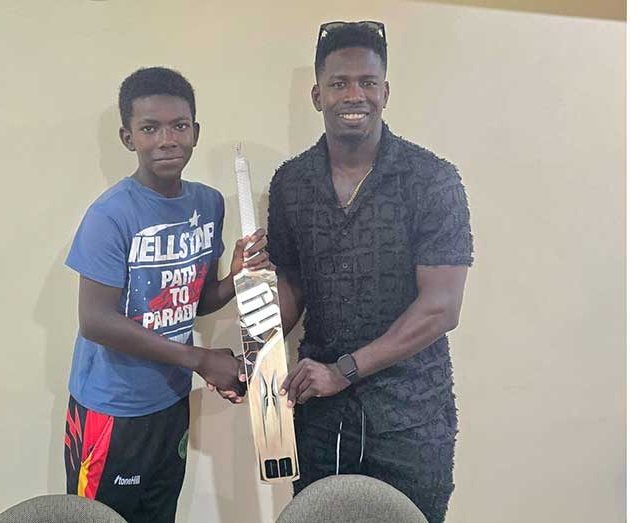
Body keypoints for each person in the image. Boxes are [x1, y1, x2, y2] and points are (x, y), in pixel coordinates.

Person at [267, 22, 474, 523]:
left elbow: (441, 307)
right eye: (339, 83)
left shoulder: (432, 180)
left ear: (385, 92)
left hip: (411, 416)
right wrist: (258, 358)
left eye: (366, 82)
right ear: (318, 95)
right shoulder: (291, 183)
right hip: (319, 417)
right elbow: (292, 283)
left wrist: (347, 370)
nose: (353, 95)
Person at [62, 66, 267, 523]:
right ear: (127, 137)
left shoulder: (208, 203)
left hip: (170, 401)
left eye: (179, 125)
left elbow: (195, 301)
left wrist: (236, 276)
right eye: (149, 128)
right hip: (111, 410)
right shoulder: (110, 215)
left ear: (196, 131)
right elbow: (95, 320)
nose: (167, 139)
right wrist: (201, 361)